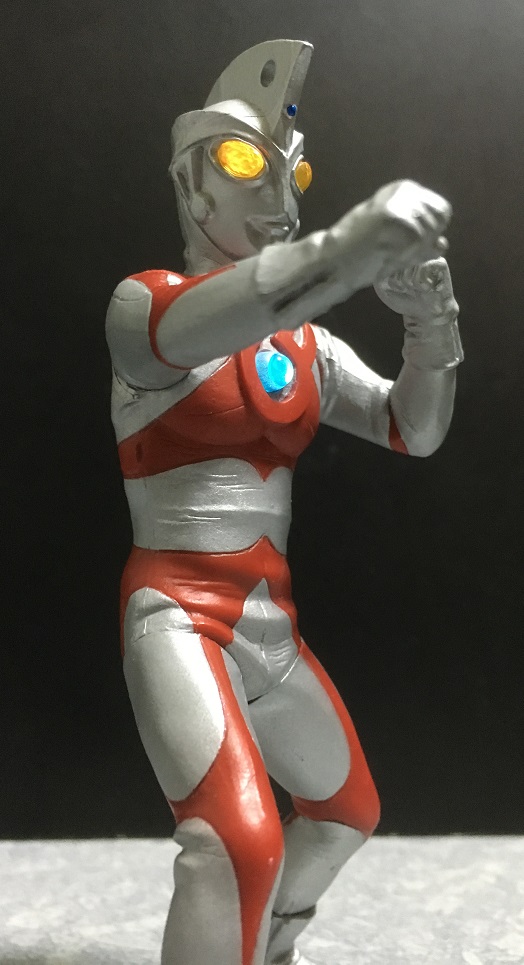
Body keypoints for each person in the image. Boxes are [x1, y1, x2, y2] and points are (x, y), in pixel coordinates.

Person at [106, 39, 462, 965]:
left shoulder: (304, 345)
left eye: (290, 171)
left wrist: (430, 327)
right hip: (179, 616)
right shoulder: (145, 309)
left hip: (268, 624)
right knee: (235, 842)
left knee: (346, 812)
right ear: (193, 188)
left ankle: (264, 948)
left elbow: (411, 428)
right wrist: (347, 249)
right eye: (245, 165)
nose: (278, 195)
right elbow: (237, 310)